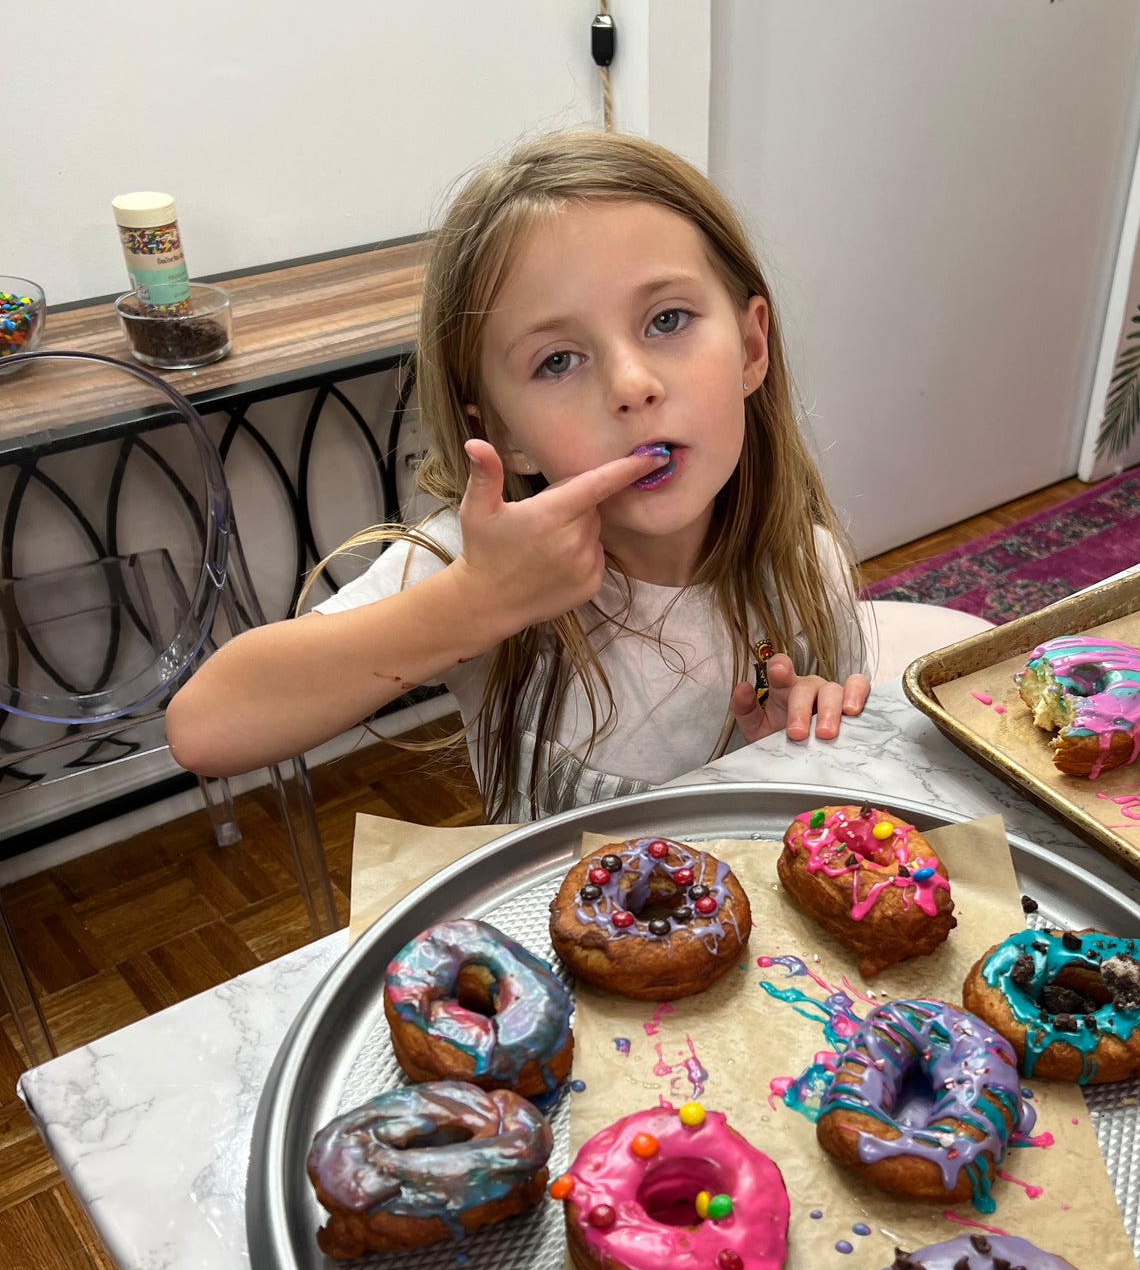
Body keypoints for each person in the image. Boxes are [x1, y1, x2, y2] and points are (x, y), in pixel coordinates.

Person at [166, 131, 872, 820]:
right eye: (557, 361)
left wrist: (798, 741)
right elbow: (206, 728)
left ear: (751, 346)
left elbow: (839, 788)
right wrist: (476, 602)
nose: (631, 384)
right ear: (503, 433)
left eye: (667, 319)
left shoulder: (808, 567)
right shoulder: (482, 559)